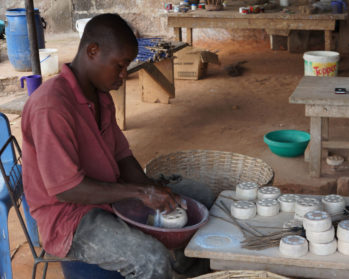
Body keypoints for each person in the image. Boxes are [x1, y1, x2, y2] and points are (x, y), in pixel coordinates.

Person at [22, 13, 212, 279]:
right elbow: (67, 190)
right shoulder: (51, 106)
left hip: (111, 193)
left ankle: (185, 269)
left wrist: (151, 190)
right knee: (151, 258)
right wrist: (140, 193)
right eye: (120, 65)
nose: (124, 75)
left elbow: (122, 156)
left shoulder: (101, 96)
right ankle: (165, 268)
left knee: (199, 198)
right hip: (71, 217)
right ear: (92, 51)